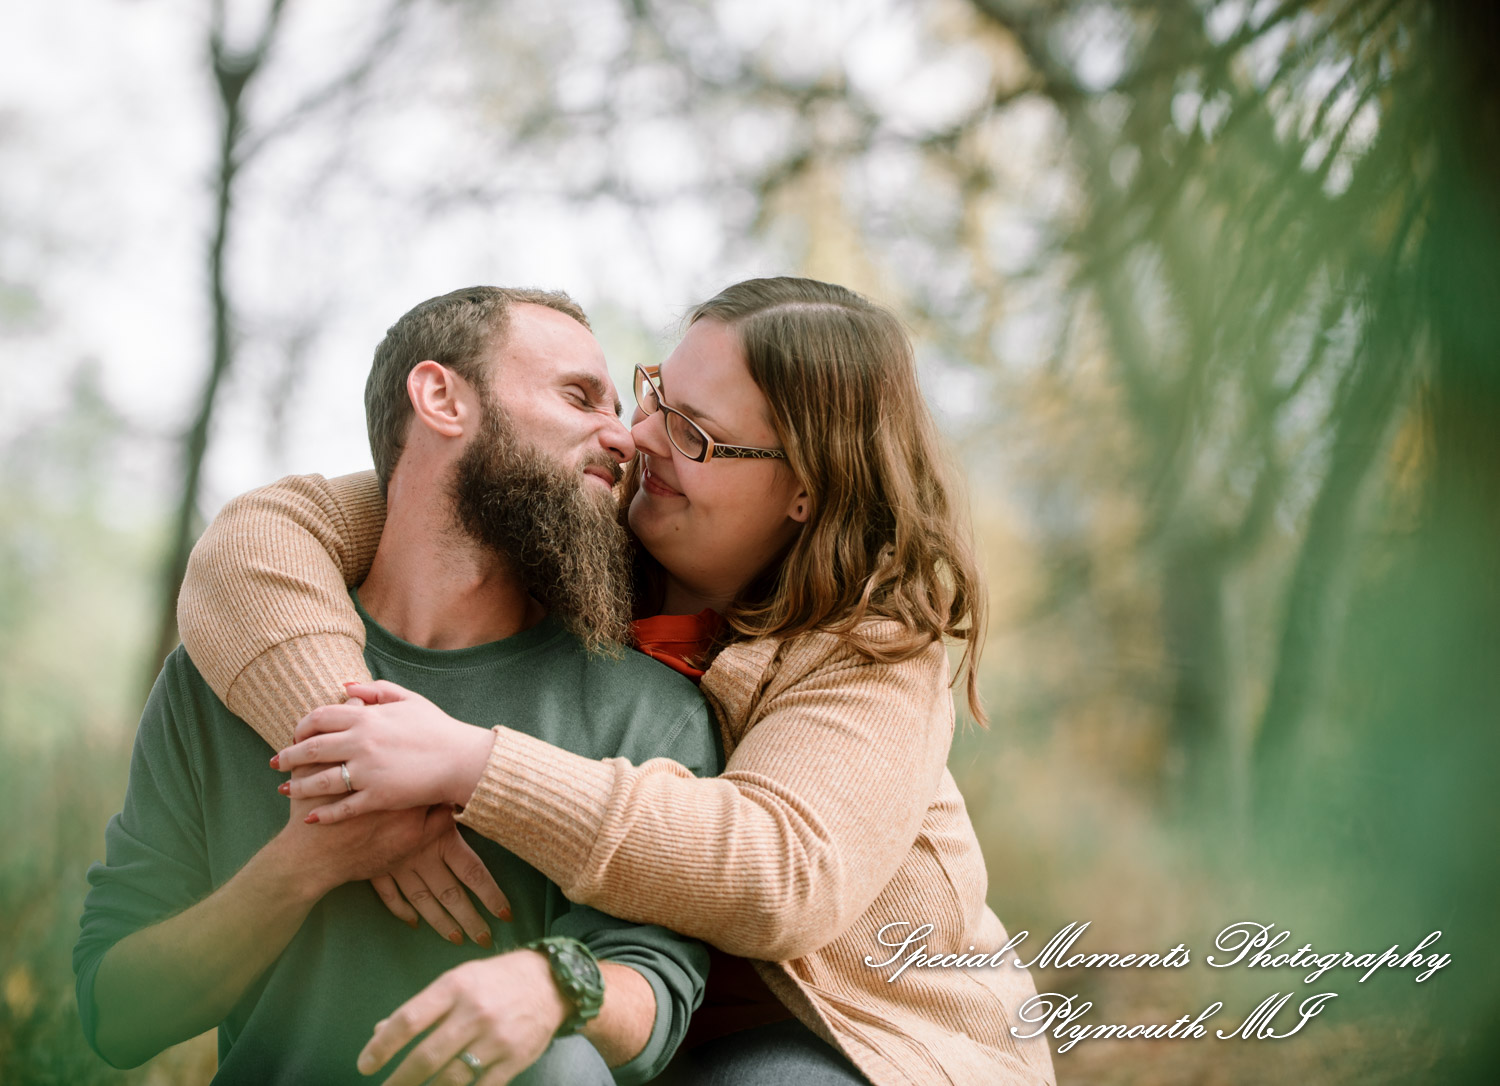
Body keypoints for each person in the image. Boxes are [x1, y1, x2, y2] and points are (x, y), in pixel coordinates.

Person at [178, 277, 1057, 1085]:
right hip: (601, 1038)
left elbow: (781, 874)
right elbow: (259, 543)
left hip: (840, 1042)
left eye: (693, 433)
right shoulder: (588, 521)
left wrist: (468, 764)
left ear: (807, 490)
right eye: (656, 396)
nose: (638, 437)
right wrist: (362, 763)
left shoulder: (871, 654)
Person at [74, 287, 720, 1085]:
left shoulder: (648, 710)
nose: (623, 437)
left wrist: (554, 984)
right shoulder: (226, 677)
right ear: (441, 397)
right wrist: (304, 865)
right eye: (579, 396)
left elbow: (657, 998)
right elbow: (118, 1016)